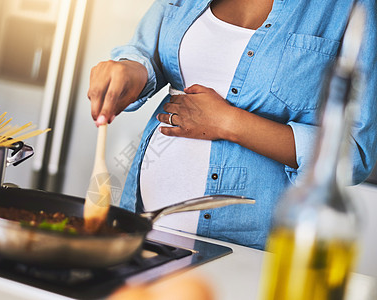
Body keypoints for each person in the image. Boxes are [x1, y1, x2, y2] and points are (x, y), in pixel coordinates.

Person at [87, 0, 377, 250]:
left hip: (250, 245)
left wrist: (230, 123)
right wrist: (129, 70)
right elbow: (146, 53)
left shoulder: (350, 8)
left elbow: (355, 154)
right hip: (143, 220)